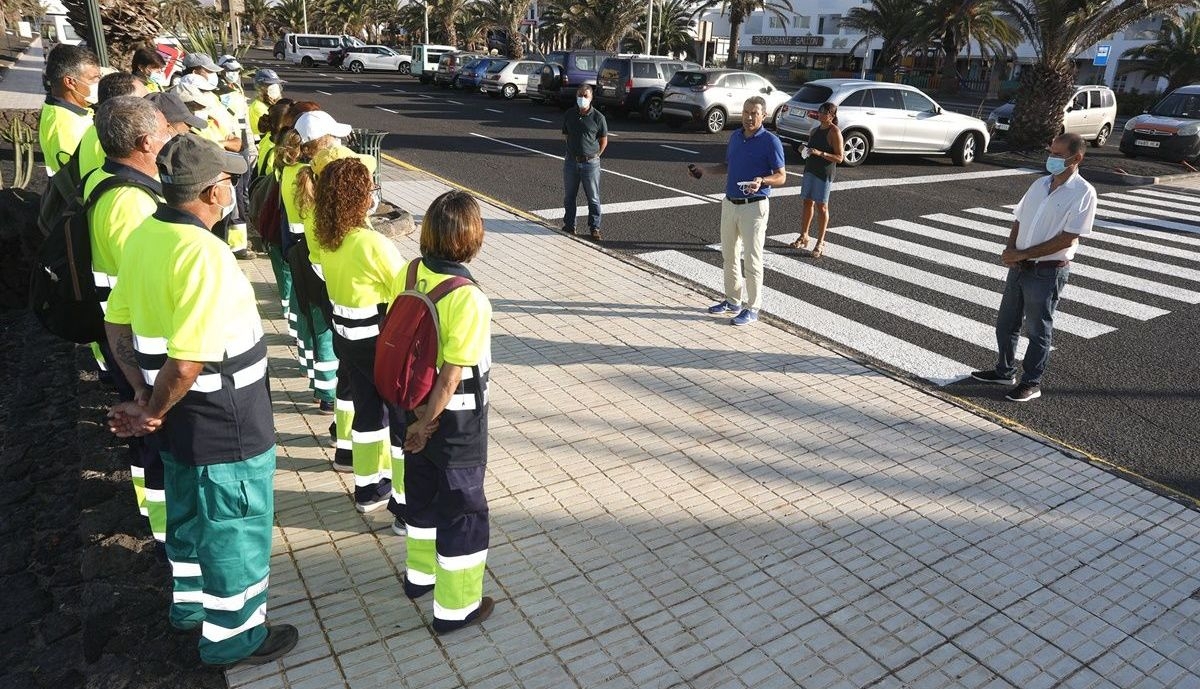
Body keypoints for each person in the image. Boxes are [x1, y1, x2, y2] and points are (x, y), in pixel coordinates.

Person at [104, 133, 297, 667]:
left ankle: (188, 609)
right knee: (235, 527)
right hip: (225, 422)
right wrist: (152, 409)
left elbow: (116, 319)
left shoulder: (146, 234)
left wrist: (143, 395)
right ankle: (235, 637)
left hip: (177, 422)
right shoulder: (205, 255)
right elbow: (188, 363)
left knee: (187, 520)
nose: (234, 188)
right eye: (230, 181)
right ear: (213, 193)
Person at [399, 190, 494, 634]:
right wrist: (426, 424)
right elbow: (452, 375)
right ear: (470, 238)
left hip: (411, 404)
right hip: (453, 423)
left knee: (421, 496)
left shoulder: (412, 270)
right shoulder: (468, 297)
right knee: (463, 509)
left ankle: (419, 578)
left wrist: (414, 421)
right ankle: (456, 608)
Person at [87, 95, 173, 544]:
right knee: (155, 446)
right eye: (164, 131)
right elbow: (144, 288)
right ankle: (166, 535)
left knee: (146, 446)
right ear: (144, 142)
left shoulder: (110, 181)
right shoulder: (131, 203)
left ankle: (154, 517)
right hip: (143, 348)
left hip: (133, 343)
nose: (170, 138)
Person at [313, 156, 408, 522]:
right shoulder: (372, 243)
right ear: (358, 195)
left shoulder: (329, 239)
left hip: (347, 340)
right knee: (401, 423)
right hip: (380, 345)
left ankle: (368, 490)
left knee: (368, 415)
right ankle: (404, 505)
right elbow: (405, 291)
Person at [971, 132, 1096, 403]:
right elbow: (1019, 218)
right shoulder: (1040, 184)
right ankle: (1004, 371)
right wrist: (1011, 250)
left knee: (1038, 330)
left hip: (1047, 270)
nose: (1052, 158)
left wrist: (1023, 253)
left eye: (1059, 155)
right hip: (1019, 266)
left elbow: (1067, 237)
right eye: (1050, 152)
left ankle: (1032, 382)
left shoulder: (1083, 193)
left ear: (1077, 158)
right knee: (1006, 324)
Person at [687, 96, 787, 326]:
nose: (749, 117)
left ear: (764, 116)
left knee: (752, 259)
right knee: (728, 255)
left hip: (754, 206)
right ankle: (733, 301)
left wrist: (762, 181)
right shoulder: (735, 137)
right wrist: (704, 171)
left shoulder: (771, 142)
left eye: (754, 113)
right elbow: (728, 167)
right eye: (746, 112)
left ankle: (753, 307)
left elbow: (782, 176)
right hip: (730, 202)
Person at [275, 110, 347, 416]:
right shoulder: (330, 172)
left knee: (312, 323)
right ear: (326, 140)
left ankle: (320, 386)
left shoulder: (291, 171)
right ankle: (331, 392)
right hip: (327, 257)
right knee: (331, 328)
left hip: (299, 254)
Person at [790, 102, 843, 258]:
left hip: (824, 172)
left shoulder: (835, 132)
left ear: (832, 116)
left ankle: (820, 241)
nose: (820, 114)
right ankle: (804, 235)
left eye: (824, 111)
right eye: (819, 111)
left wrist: (820, 153)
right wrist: (803, 150)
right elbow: (809, 149)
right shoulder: (814, 131)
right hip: (810, 170)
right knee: (807, 201)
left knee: (822, 206)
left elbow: (840, 157)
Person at [39, 43, 100, 176]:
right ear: (70, 82)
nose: (98, 83)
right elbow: (79, 178)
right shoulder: (65, 128)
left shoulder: (69, 110)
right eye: (93, 78)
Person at [74, 72, 150, 177]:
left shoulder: (96, 129)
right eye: (144, 101)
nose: (150, 106)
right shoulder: (119, 140)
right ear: (122, 107)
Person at [561, 84, 607, 241]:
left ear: (591, 97)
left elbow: (603, 140)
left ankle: (595, 228)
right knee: (569, 197)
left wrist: (594, 156)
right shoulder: (569, 114)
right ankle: (569, 225)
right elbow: (566, 135)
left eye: (585, 96)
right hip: (571, 162)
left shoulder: (598, 118)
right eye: (579, 95)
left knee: (593, 198)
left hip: (590, 163)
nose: (582, 98)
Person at [249, 69, 286, 142]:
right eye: (270, 85)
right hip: (265, 146)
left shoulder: (272, 105)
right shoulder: (258, 107)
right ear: (261, 88)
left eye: (276, 84)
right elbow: (276, 130)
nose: (275, 88)